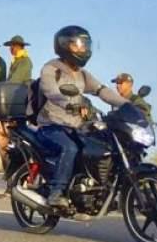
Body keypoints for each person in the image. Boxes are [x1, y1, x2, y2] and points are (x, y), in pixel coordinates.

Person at [37, 26, 128, 208]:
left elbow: (102, 90)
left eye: (85, 45)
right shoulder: (51, 69)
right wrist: (68, 103)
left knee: (102, 147)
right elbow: (50, 91)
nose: (83, 49)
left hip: (76, 125)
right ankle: (57, 191)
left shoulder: (82, 74)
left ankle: (99, 189)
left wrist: (127, 105)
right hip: (51, 125)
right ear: (64, 45)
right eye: (78, 45)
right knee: (70, 148)